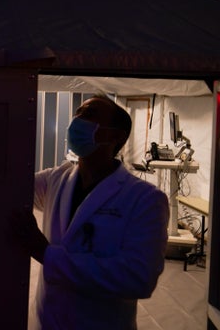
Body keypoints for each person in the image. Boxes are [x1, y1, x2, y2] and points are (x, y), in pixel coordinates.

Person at [12, 94, 169, 329]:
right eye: (78, 113)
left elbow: (138, 279)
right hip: (48, 321)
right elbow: (10, 188)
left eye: (90, 114)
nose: (78, 120)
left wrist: (48, 255)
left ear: (117, 136)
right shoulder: (57, 178)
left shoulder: (145, 199)